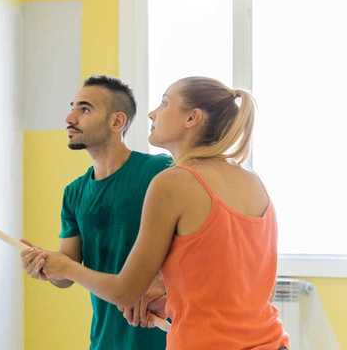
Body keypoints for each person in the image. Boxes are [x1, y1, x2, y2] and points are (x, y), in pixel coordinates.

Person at [33, 77, 290, 349]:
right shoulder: (252, 182)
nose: (152, 112)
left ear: (192, 118)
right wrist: (169, 299)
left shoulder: (172, 182)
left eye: (165, 103)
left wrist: (67, 268)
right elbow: (233, 286)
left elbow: (125, 291)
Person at [21, 75, 171, 349]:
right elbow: (68, 272)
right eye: (72, 107)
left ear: (117, 122)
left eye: (85, 109)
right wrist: (46, 267)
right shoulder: (74, 193)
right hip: (105, 341)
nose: (70, 117)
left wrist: (164, 282)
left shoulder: (160, 171)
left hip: (163, 337)